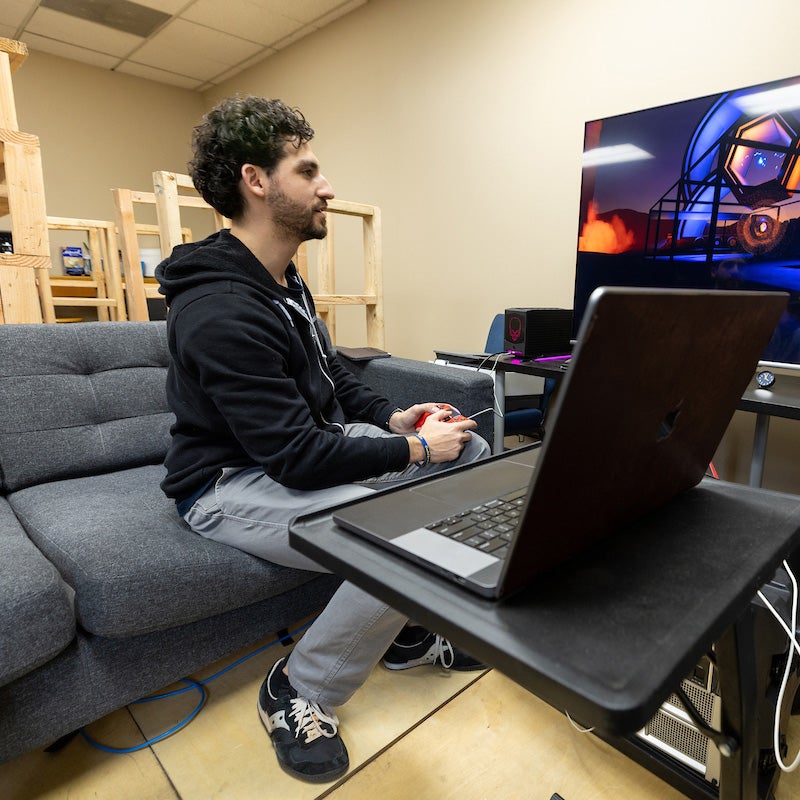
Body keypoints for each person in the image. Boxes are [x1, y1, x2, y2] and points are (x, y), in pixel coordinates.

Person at [155, 95, 491, 783]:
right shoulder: (219, 310)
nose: (328, 186)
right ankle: (299, 687)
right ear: (256, 181)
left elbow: (331, 374)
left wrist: (397, 421)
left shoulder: (282, 280)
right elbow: (296, 458)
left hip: (299, 449)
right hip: (228, 483)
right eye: (307, 170)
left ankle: (406, 632)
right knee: (398, 536)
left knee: (474, 456)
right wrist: (416, 452)